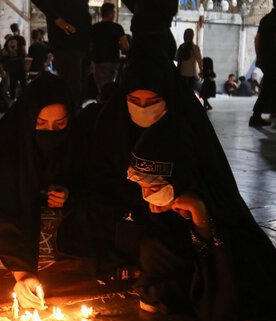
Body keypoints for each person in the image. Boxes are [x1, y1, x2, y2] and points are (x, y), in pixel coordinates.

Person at [87, 50, 238, 273]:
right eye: (134, 100)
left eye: (153, 101)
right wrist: (140, 195)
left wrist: (175, 195)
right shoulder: (112, 123)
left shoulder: (186, 125)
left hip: (174, 213)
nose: (143, 108)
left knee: (165, 244)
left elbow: (209, 179)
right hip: (123, 208)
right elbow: (98, 176)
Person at [127, 120, 276, 321]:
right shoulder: (159, 198)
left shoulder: (214, 197)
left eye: (155, 187)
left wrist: (199, 214)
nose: (146, 195)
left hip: (216, 280)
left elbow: (221, 259)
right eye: (142, 187)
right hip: (185, 275)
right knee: (153, 243)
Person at [0, 73, 78, 309]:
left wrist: (68, 195)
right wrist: (21, 271)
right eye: (40, 124)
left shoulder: (75, 143)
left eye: (60, 124)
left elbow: (86, 180)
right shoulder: (5, 153)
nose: (51, 132)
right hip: (6, 235)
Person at [32, 0, 91, 112]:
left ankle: (74, 116)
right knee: (72, 84)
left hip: (82, 41)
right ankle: (70, 117)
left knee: (81, 85)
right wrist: (57, 19)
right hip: (66, 41)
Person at [92, 3, 129, 93]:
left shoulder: (94, 28)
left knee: (102, 89)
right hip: (114, 62)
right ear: (111, 13)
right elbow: (125, 46)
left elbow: (90, 46)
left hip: (99, 62)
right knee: (114, 88)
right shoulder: (117, 28)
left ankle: (103, 104)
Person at [250, 1, 276, 127]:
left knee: (268, 87)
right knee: (267, 88)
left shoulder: (265, 19)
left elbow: (257, 39)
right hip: (273, 59)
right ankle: (255, 117)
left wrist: (258, 56)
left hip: (266, 59)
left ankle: (257, 116)